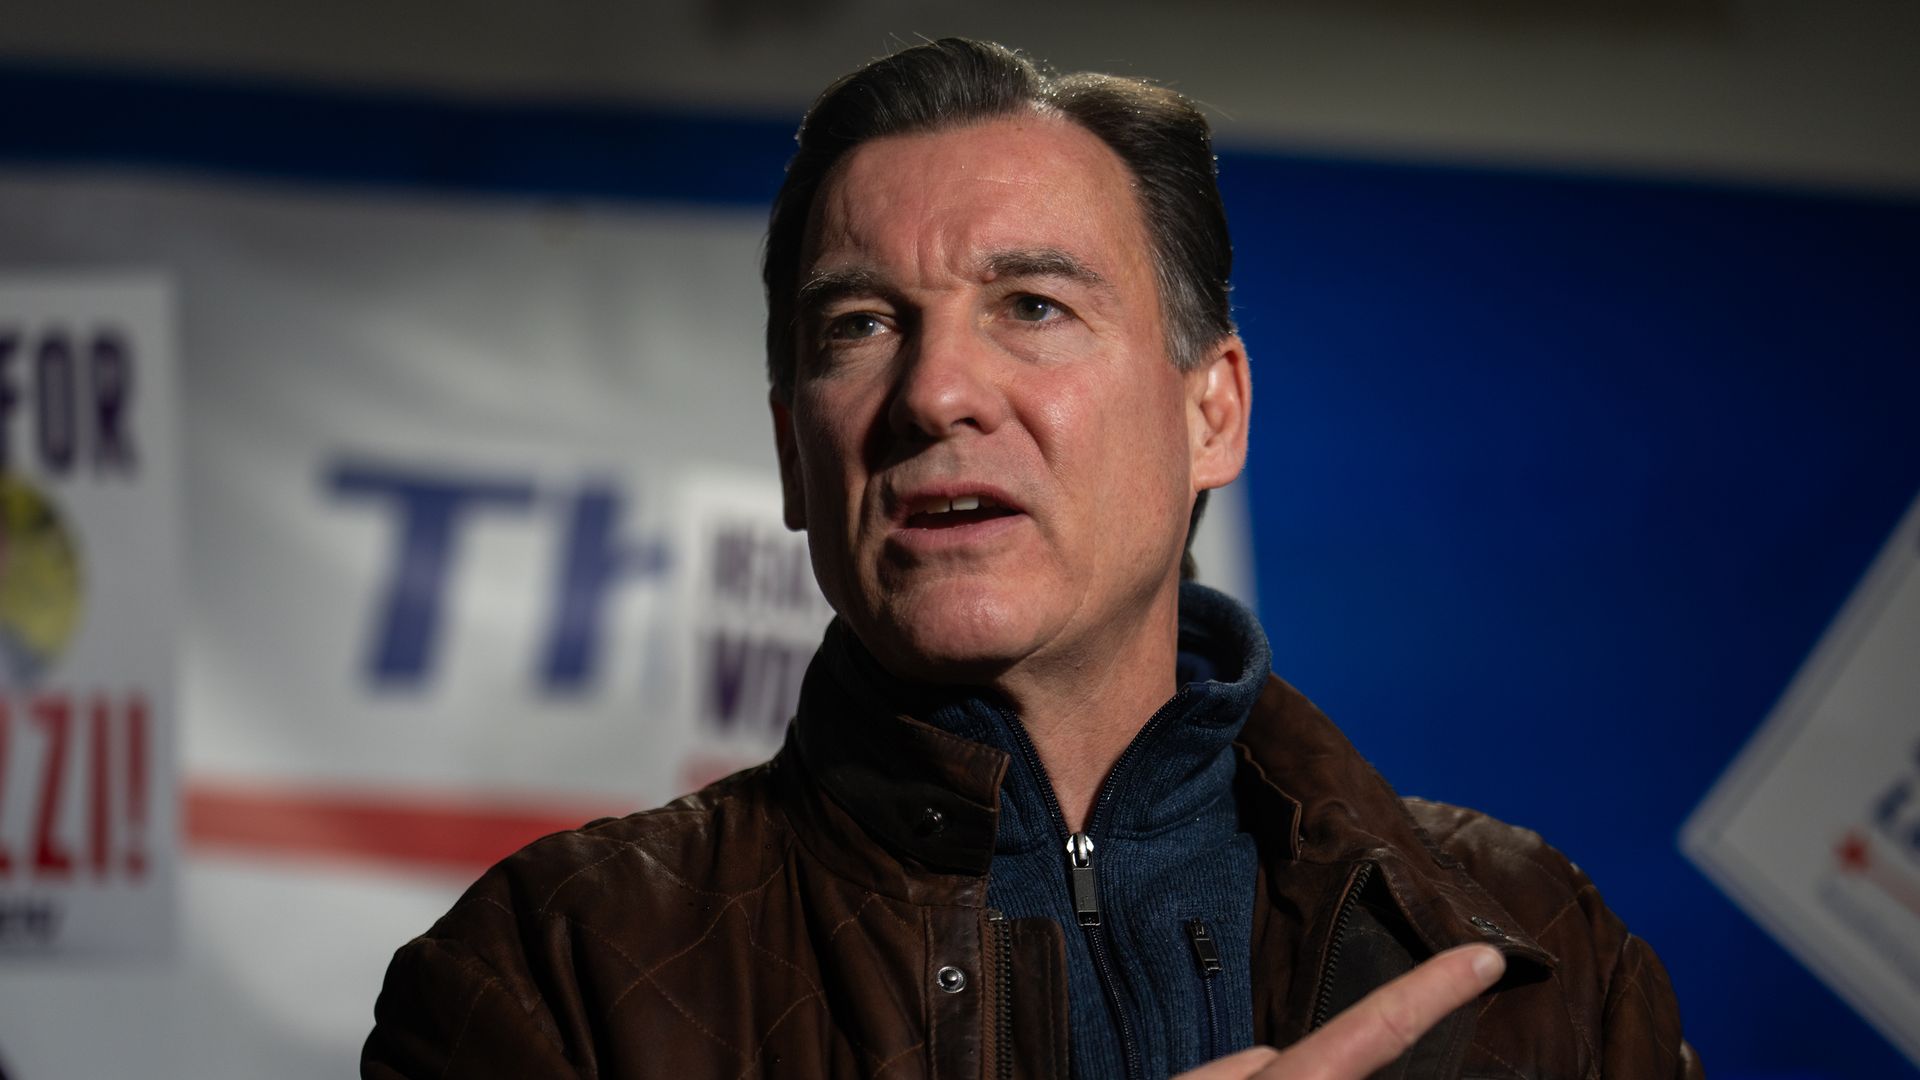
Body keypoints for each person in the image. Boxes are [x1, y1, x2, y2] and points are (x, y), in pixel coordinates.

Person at [364, 38, 1699, 1079]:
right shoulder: (557, 974)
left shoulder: (1541, 950)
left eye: (1035, 307)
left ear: (1210, 411)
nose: (936, 391)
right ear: (791, 457)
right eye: (861, 326)